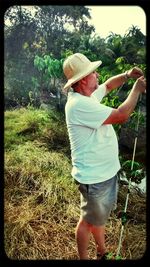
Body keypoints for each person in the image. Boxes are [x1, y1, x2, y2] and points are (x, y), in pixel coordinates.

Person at [63, 53, 146, 260]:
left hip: (104, 174)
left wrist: (126, 75)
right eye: (93, 73)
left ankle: (101, 252)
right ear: (83, 80)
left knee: (97, 220)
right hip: (95, 178)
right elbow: (121, 115)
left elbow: (108, 86)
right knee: (87, 222)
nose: (97, 75)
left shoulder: (86, 96)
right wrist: (136, 90)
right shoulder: (79, 105)